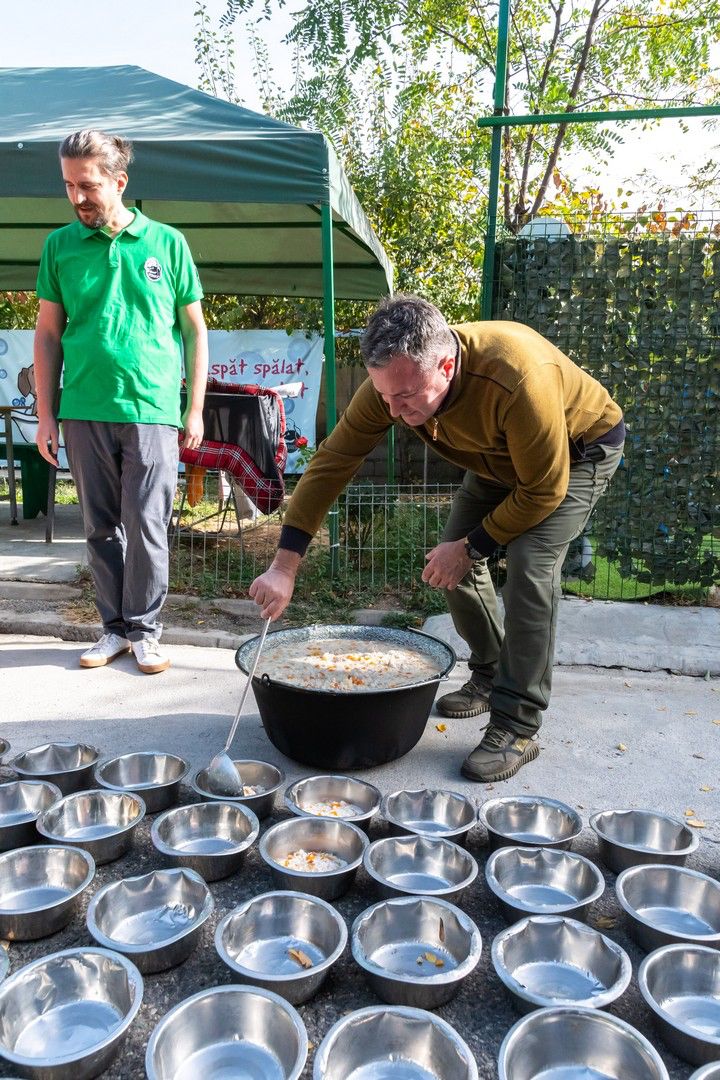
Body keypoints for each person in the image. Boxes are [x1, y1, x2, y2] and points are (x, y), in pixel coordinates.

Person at [249, 294, 625, 782]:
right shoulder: (394, 382)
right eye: (385, 396)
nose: (393, 409)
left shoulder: (517, 377)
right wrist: (284, 566)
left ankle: (516, 724)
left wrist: (471, 547)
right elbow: (332, 462)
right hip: (496, 458)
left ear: (446, 366)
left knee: (530, 567)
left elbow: (542, 489)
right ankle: (490, 675)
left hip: (576, 454)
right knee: (452, 570)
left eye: (405, 397)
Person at [34, 130, 208, 674]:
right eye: (69, 185)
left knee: (148, 523)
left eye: (87, 185)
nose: (77, 197)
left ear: (119, 181)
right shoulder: (59, 246)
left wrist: (194, 407)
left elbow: (194, 331)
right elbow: (47, 334)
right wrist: (46, 414)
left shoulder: (167, 244)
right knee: (99, 527)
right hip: (83, 408)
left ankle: (146, 630)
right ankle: (112, 629)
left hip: (151, 409)